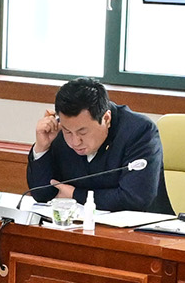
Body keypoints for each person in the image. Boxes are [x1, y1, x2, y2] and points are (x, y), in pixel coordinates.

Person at [25, 78, 168, 214]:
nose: (75, 141)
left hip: (141, 233)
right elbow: (42, 193)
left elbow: (135, 198)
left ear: (106, 118)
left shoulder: (139, 131)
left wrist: (74, 194)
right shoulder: (59, 130)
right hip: (78, 228)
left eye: (83, 132)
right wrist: (42, 147)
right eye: (68, 132)